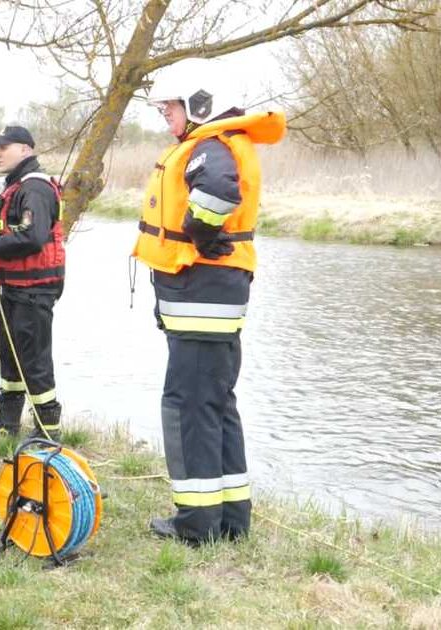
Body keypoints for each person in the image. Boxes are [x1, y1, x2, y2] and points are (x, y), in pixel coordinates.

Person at [135, 58, 286, 544]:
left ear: (200, 104)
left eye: (171, 105)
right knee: (216, 403)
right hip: (213, 294)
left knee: (189, 405)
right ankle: (231, 520)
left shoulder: (211, 148)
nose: (165, 113)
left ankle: (196, 525)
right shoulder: (219, 143)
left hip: (201, 291)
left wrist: (200, 232)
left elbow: (218, 191)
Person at [0, 126, 66, 441]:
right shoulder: (16, 185)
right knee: (9, 355)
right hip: (13, 287)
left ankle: (47, 432)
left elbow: (33, 237)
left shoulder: (34, 188)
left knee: (35, 360)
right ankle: (7, 422)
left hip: (33, 289)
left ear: (25, 150)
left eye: (3, 148)